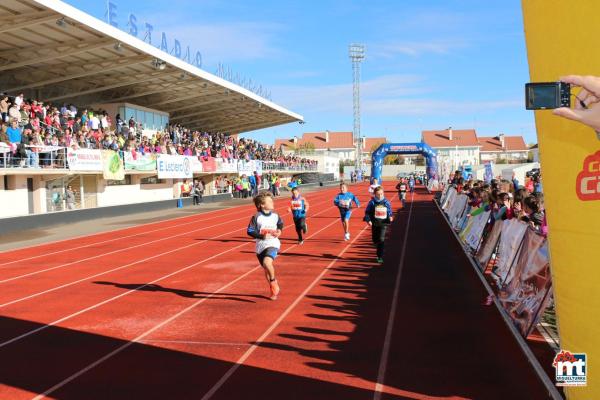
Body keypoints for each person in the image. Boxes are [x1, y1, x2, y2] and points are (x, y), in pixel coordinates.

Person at [246, 192, 283, 300]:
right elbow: (250, 231)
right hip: (260, 245)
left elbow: (280, 223)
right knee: (266, 269)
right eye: (270, 201)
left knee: (267, 262)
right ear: (262, 205)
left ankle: (273, 281)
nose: (272, 202)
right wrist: (261, 236)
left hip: (273, 243)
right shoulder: (256, 216)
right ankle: (272, 289)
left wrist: (279, 231)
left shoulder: (275, 215)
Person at [364, 186, 394, 263]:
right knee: (375, 240)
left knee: (381, 239)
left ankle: (379, 256)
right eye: (378, 194)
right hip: (375, 223)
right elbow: (367, 212)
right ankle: (376, 243)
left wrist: (390, 216)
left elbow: (390, 211)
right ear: (375, 194)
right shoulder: (372, 202)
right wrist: (368, 220)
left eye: (381, 194)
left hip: (383, 223)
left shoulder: (386, 202)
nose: (380, 195)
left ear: (383, 193)